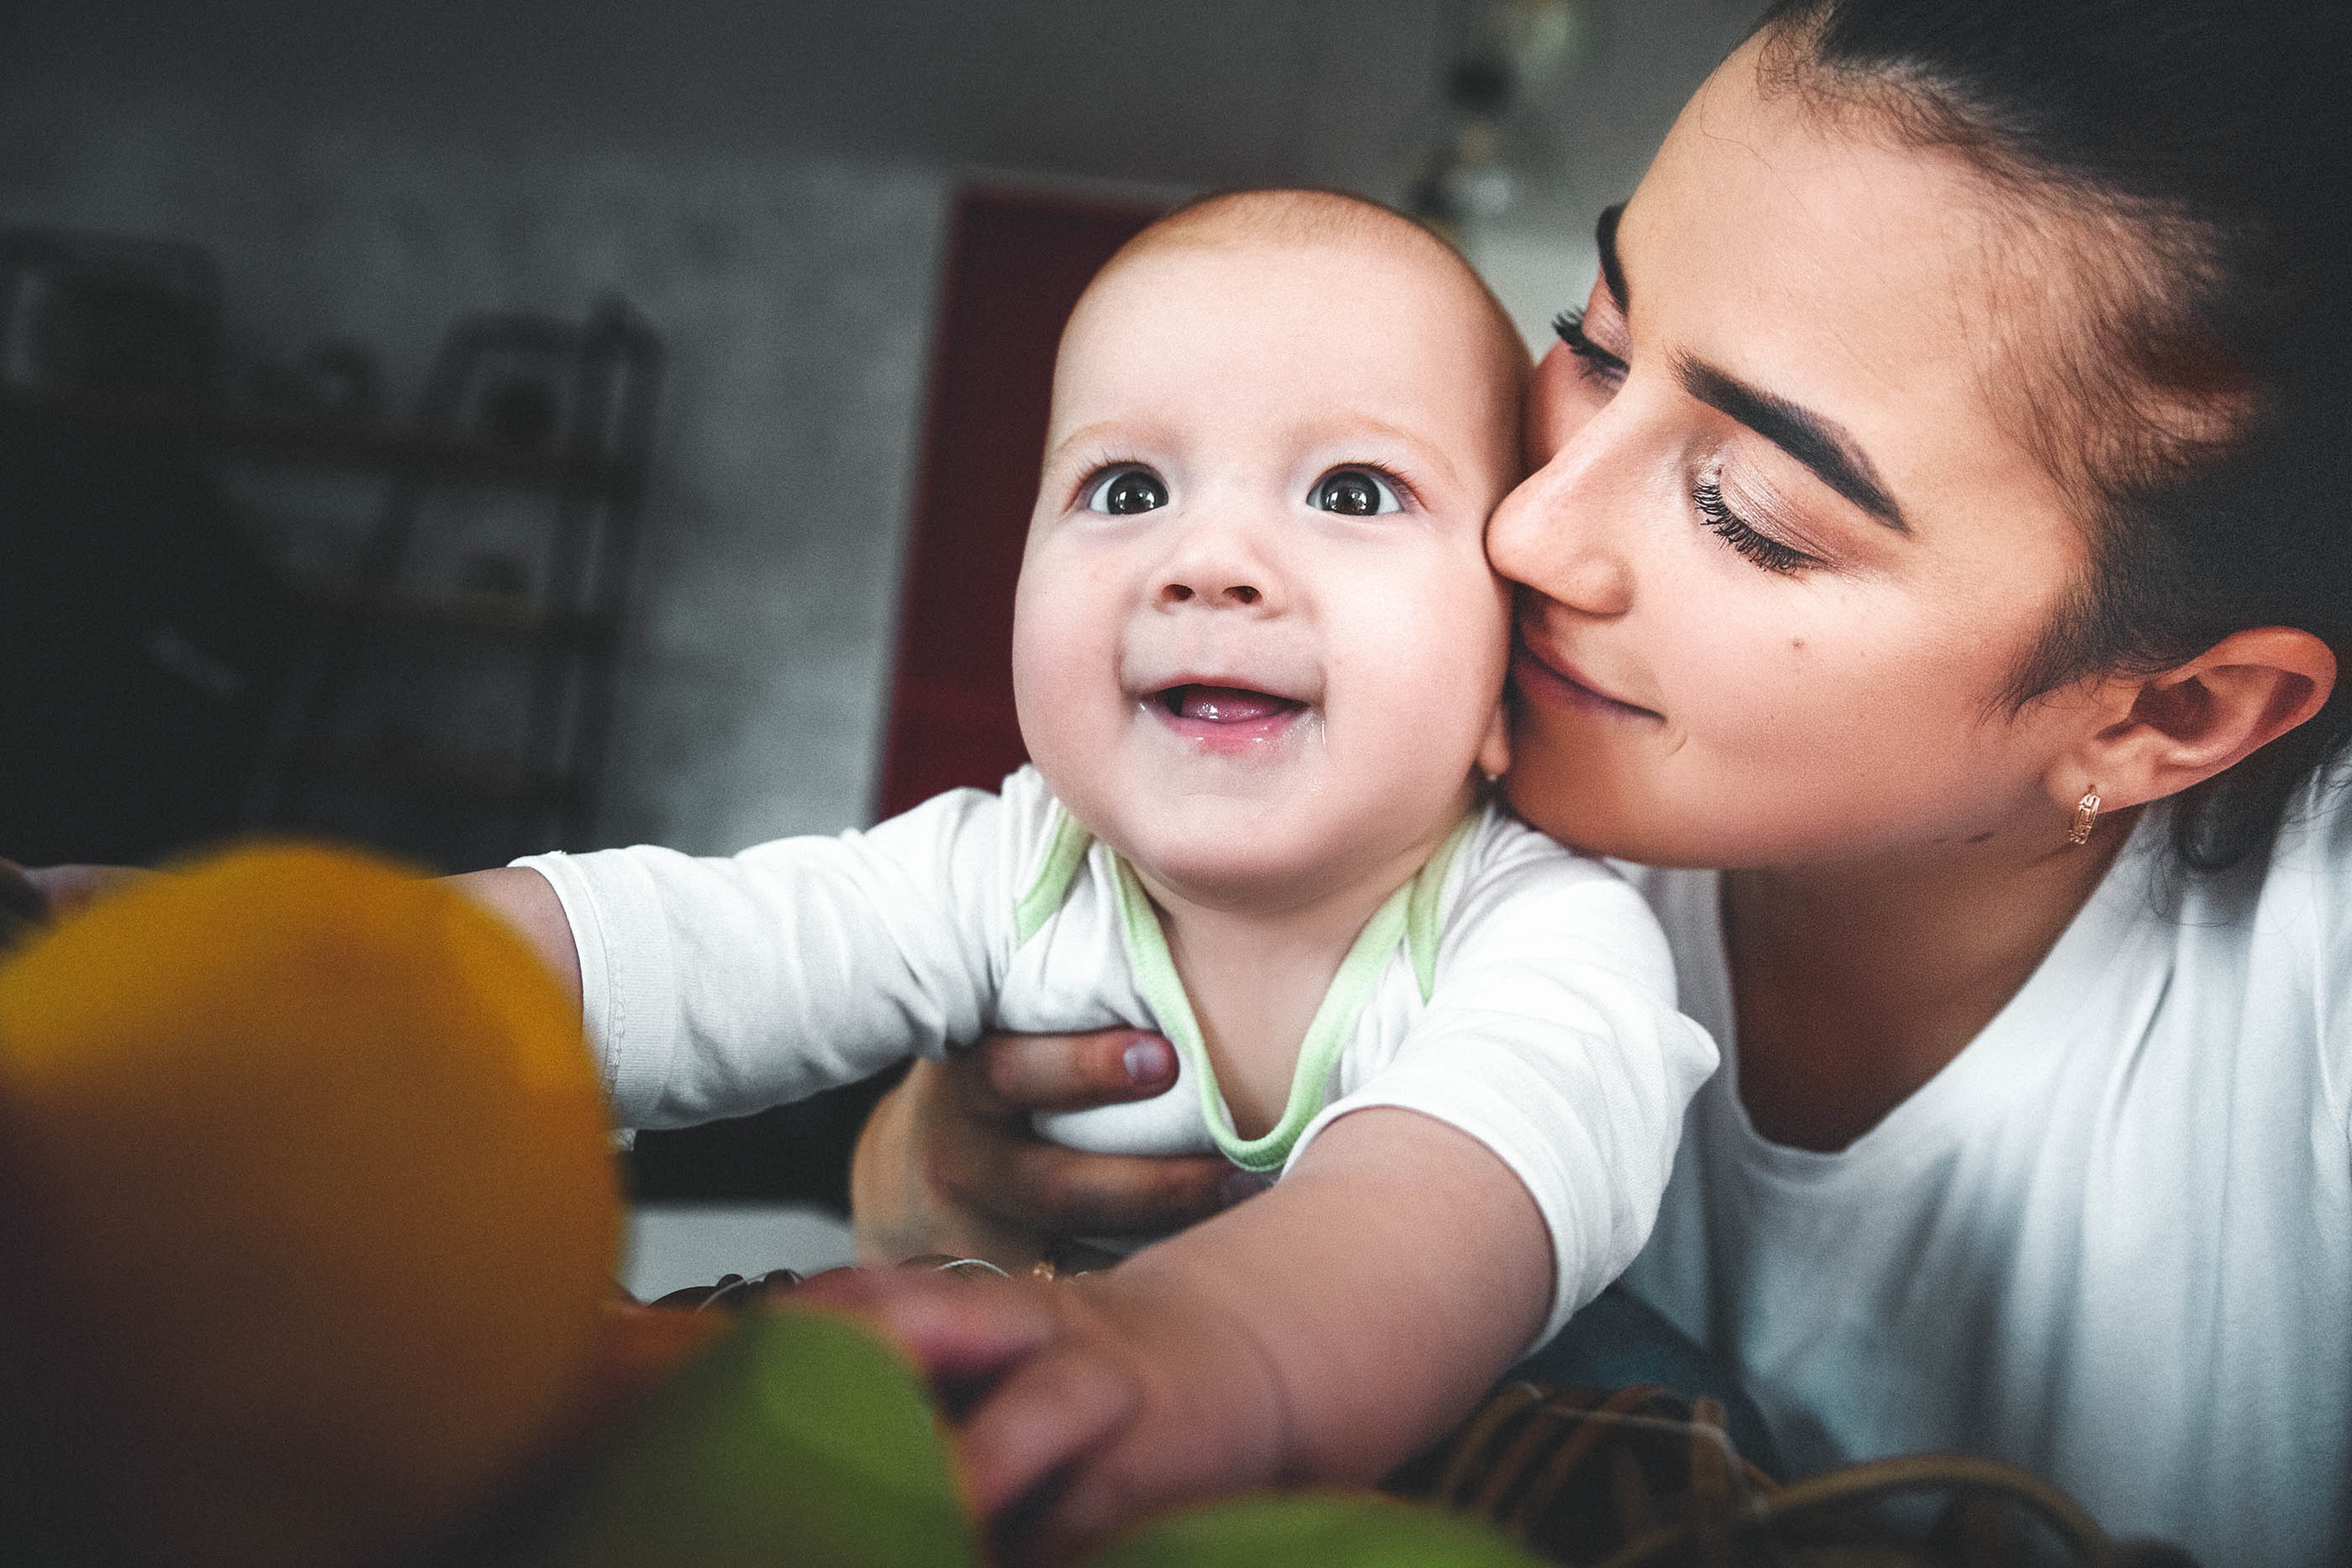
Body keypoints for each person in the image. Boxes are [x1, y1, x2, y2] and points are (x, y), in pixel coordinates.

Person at [849, 4, 2352, 1566]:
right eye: (1594, 345)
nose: (1527, 534)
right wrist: (935, 1178)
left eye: (1747, 507)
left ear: (2169, 711)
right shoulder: (1419, 762)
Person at [456, 189, 1717, 1560]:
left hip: (1475, 1453)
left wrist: (1205, 1342)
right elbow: (702, 948)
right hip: (1079, 1431)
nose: (1210, 563)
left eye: (1352, 491)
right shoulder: (1015, 861)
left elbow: (1456, 1194)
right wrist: (393, 969)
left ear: (1504, 684)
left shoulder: (1548, 931)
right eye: (1126, 490)